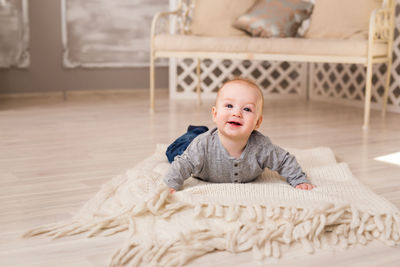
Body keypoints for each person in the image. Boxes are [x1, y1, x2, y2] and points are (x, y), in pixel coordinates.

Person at [164, 78, 315, 193]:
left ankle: (199, 130)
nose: (237, 113)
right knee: (174, 153)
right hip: (194, 145)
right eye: (229, 106)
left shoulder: (261, 147)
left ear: (257, 122)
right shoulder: (202, 146)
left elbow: (284, 160)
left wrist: (298, 180)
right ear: (215, 114)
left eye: (247, 109)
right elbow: (182, 165)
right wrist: (171, 184)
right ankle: (194, 131)